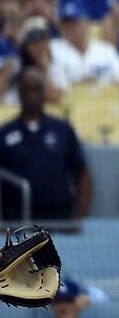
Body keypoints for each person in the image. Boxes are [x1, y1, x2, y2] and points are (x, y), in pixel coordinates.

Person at [0, 67, 90, 221]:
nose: (31, 95)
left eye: (36, 89)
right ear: (19, 93)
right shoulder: (5, 133)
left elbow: (82, 173)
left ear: (43, 93)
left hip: (59, 220)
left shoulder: (63, 130)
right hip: (17, 222)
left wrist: (79, 216)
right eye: (27, 89)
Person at [50, 5, 119, 86]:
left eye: (75, 23)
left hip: (104, 97)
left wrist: (97, 82)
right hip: (70, 97)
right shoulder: (53, 48)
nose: (70, 28)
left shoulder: (106, 50)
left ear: (86, 24)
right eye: (66, 24)